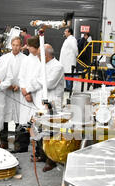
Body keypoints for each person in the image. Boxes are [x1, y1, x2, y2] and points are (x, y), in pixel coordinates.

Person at [23, 43, 65, 172]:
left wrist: (38, 81)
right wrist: (27, 90)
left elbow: (50, 83)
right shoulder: (42, 66)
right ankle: (41, 154)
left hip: (53, 103)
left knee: (50, 132)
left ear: (46, 55)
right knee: (39, 129)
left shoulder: (58, 66)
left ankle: (51, 160)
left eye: (40, 54)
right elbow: (35, 80)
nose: (38, 56)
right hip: (40, 102)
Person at [0, 36, 27, 151]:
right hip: (7, 91)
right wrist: (9, 85)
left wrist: (19, 86)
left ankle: (18, 143)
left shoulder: (25, 59)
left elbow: (26, 75)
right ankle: (4, 142)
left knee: (19, 118)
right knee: (5, 117)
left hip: (20, 92)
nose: (15, 47)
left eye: (18, 45)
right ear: (11, 45)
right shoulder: (4, 58)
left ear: (21, 46)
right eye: (14, 45)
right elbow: (0, 74)